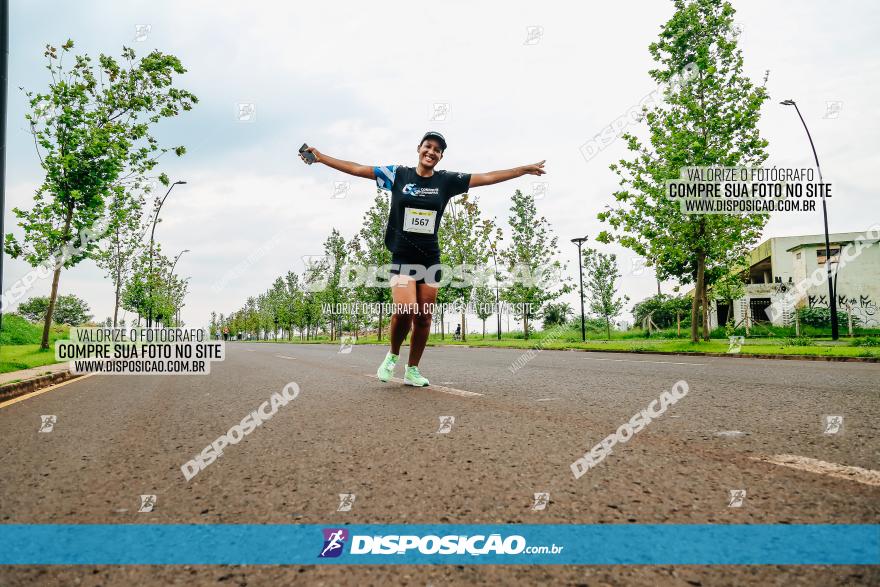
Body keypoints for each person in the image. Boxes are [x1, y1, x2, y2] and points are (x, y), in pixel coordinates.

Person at [300, 131, 544, 386]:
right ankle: (392, 356)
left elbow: (487, 177)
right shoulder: (398, 175)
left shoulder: (446, 181)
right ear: (419, 148)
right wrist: (320, 157)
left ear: (440, 156)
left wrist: (523, 170)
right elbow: (357, 169)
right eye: (428, 146)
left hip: (430, 258)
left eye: (437, 150)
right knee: (405, 309)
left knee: (424, 317)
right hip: (403, 256)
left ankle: (412, 369)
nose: (431, 152)